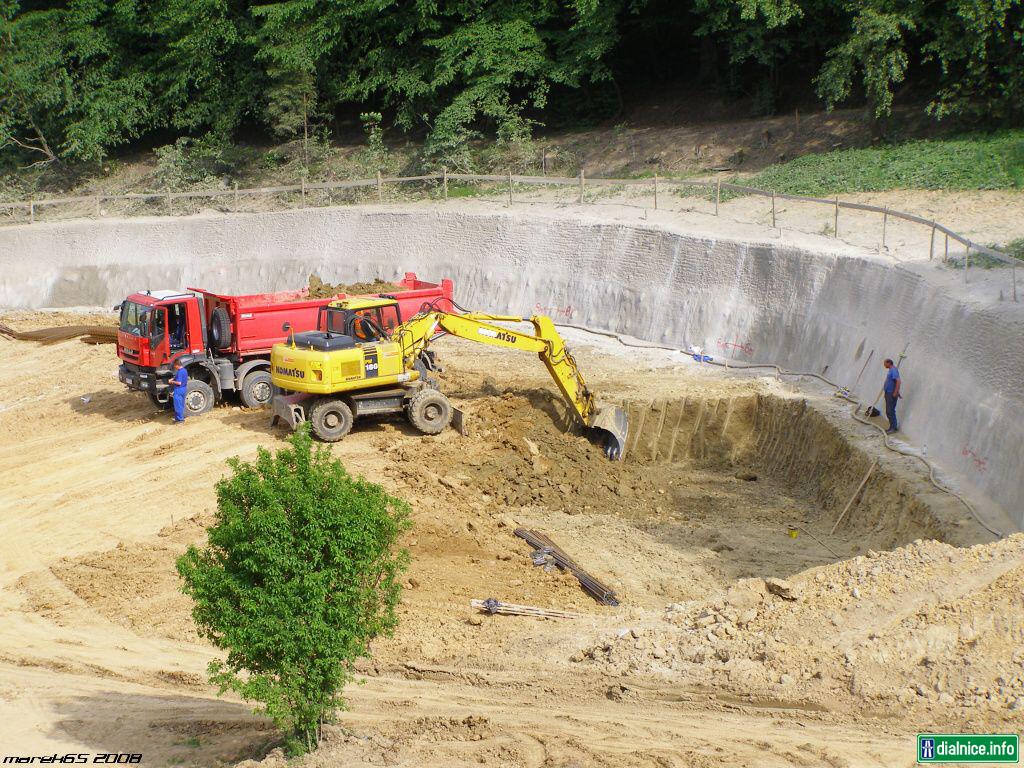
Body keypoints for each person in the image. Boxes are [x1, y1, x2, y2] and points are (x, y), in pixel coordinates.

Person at [882, 358, 901, 434]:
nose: (884, 365)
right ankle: (892, 427)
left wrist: (895, 393)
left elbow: (898, 382)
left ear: (889, 363)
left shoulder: (893, 370)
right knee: (889, 411)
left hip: (891, 394)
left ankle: (893, 428)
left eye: (885, 363)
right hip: (888, 393)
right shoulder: (891, 370)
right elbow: (893, 382)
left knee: (890, 411)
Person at [171, 359, 188, 424]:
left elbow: (179, 383)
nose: (174, 367)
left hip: (179, 389)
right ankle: (179, 418)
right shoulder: (184, 370)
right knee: (181, 404)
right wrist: (173, 379)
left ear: (177, 365)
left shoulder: (180, 372)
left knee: (177, 405)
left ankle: (180, 420)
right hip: (183, 388)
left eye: (175, 366)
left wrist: (171, 381)